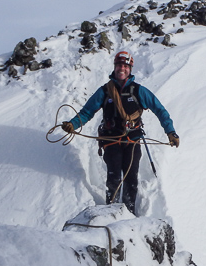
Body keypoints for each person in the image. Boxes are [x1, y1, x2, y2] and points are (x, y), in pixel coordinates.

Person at [61, 50, 179, 215]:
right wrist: (72, 125)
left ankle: (129, 212)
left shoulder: (139, 91)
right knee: (114, 177)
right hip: (111, 140)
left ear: (130, 69)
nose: (121, 69)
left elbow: (160, 110)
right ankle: (111, 211)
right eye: (119, 66)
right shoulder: (105, 91)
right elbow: (87, 112)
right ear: (114, 67)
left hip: (133, 139)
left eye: (125, 66)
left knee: (131, 178)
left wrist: (170, 132)